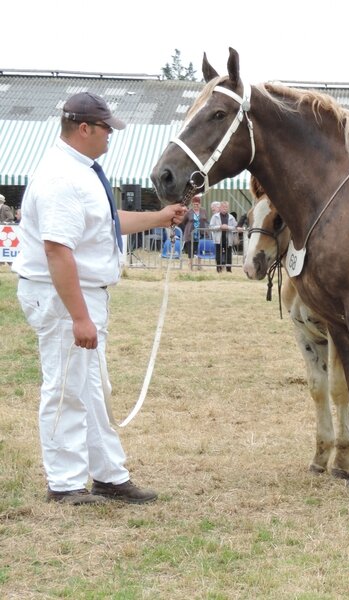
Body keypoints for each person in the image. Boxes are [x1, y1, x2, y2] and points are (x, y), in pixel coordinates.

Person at [11, 92, 187, 505]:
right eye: (107, 128)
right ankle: (65, 483)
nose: (112, 136)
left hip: (80, 295)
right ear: (85, 128)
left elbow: (107, 222)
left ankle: (108, 475)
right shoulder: (62, 179)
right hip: (63, 297)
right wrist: (79, 316)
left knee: (91, 388)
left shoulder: (83, 171)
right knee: (66, 388)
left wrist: (161, 217)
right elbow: (57, 249)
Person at [208, 201, 237, 272]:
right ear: (220, 208)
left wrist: (228, 227)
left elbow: (235, 227)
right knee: (218, 254)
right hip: (218, 238)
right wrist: (220, 227)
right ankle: (218, 268)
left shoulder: (231, 217)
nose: (225, 208)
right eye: (223, 207)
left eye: (226, 207)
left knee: (229, 254)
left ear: (228, 208)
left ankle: (229, 269)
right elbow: (211, 227)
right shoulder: (215, 216)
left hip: (228, 238)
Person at [181, 194, 208, 258]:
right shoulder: (188, 212)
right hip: (190, 233)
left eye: (197, 204)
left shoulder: (203, 211)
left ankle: (199, 264)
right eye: (194, 204)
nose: (196, 205)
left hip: (200, 233)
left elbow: (205, 219)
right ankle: (191, 264)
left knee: (199, 250)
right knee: (191, 250)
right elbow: (183, 221)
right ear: (192, 204)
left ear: (200, 204)